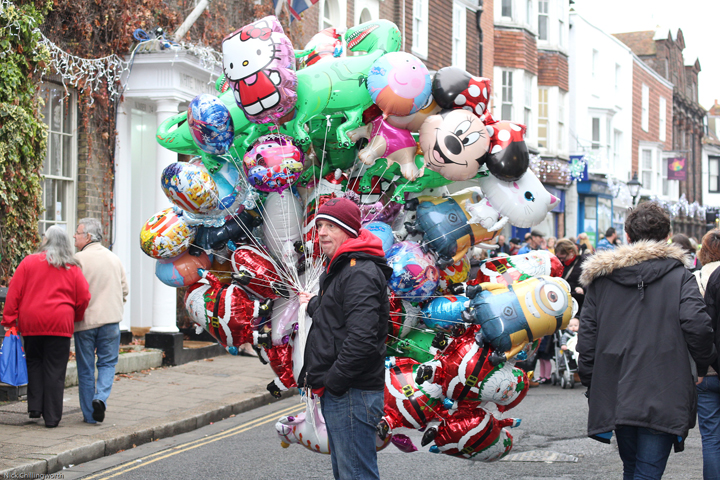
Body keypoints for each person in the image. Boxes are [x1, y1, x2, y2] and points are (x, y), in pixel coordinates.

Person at [578, 201, 716, 479]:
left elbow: (587, 334)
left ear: (627, 236)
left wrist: (591, 376)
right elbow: (697, 325)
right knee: (647, 471)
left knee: (633, 468)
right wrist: (701, 365)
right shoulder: (679, 276)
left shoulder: (601, 280)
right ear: (666, 237)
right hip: (664, 385)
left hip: (615, 384)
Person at [298, 197, 391, 480]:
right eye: (320, 225)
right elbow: (336, 313)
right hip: (346, 390)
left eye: (331, 226)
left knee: (356, 474)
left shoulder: (358, 272)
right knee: (348, 472)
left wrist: (333, 381)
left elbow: (361, 339)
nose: (322, 232)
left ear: (349, 230)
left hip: (351, 391)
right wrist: (314, 303)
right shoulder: (344, 267)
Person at [1, 226, 91, 428]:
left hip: (31, 322)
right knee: (55, 369)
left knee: (34, 363)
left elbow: (14, 293)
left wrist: (9, 320)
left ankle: (35, 407)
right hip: (60, 323)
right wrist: (75, 316)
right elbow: (84, 296)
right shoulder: (72, 267)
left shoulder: (29, 262)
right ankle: (51, 417)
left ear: (47, 240)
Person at [73, 218, 128, 424]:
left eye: (77, 233)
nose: (74, 236)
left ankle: (90, 416)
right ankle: (101, 398)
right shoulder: (113, 258)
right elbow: (124, 289)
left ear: (87, 236)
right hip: (111, 320)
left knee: (86, 369)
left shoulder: (77, 259)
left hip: (85, 322)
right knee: (107, 363)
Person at [694, 229, 720, 479]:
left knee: (711, 437)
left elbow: (697, 327)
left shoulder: (697, 278)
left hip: (708, 369)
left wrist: (699, 368)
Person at [554, 239, 590, 316]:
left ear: (571, 252)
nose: (561, 260)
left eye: (563, 258)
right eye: (559, 257)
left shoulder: (585, 261)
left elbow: (591, 280)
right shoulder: (559, 261)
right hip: (563, 301)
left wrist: (583, 289)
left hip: (579, 302)